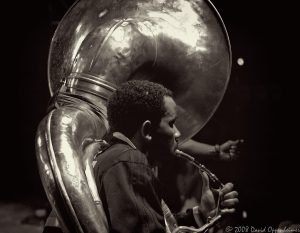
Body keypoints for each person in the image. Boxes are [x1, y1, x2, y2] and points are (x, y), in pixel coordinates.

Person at [93, 80, 239, 233]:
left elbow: (156, 224)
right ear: (147, 131)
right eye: (171, 124)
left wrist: (202, 213)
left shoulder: (116, 157)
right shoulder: (131, 161)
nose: (178, 133)